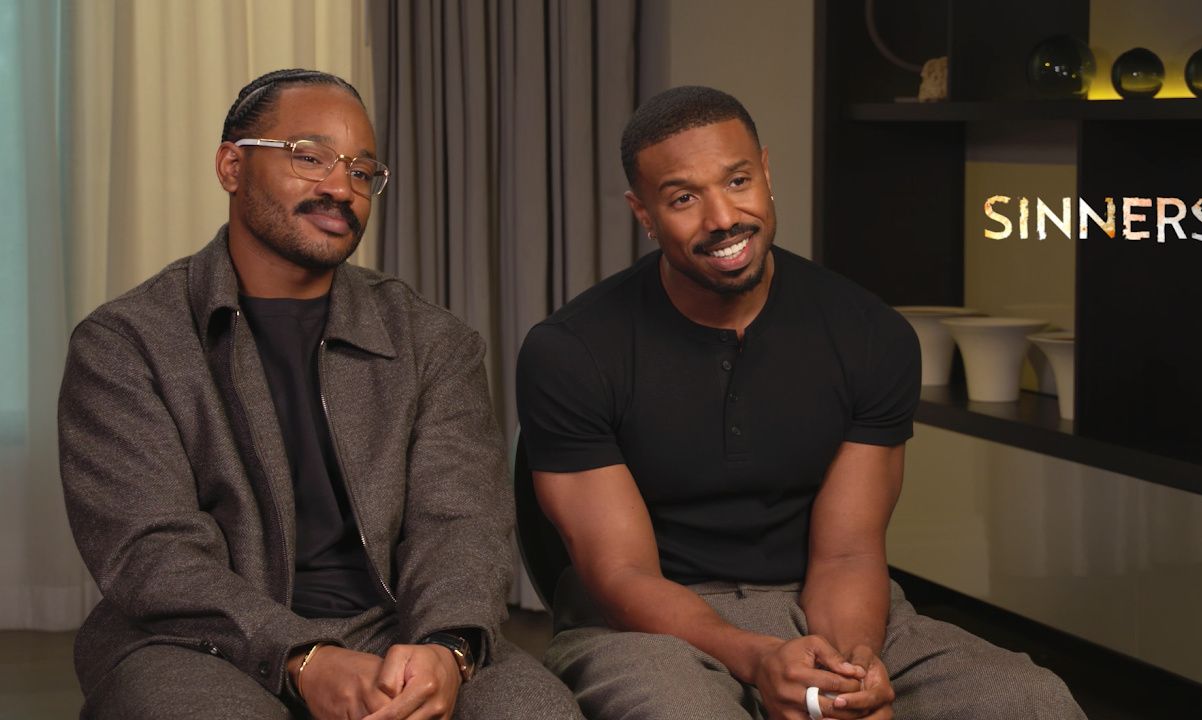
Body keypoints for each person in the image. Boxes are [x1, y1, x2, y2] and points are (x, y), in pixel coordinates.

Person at [516, 85, 1085, 720]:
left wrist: (847, 674)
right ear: (643, 213)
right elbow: (622, 577)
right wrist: (757, 658)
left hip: (825, 601)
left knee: (1031, 700)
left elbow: (848, 552)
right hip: (648, 627)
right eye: (683, 198)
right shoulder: (571, 351)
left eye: (737, 181)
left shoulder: (869, 334)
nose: (722, 218)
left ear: (765, 170)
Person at [59, 68, 583, 720]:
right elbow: (151, 555)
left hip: (395, 627)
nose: (341, 188)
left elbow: (462, 524)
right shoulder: (126, 343)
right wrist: (301, 656)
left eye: (363, 172)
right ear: (231, 166)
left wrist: (446, 647)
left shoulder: (432, 340)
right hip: (195, 640)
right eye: (310, 158)